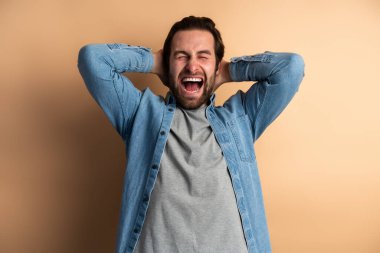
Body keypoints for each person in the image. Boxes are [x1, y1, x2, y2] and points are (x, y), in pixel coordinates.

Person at [78, 16, 304, 253]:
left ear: (216, 66)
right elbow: (93, 59)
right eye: (181, 56)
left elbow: (290, 68)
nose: (192, 66)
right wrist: (155, 62)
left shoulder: (241, 119)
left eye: (203, 56)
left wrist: (228, 70)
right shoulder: (140, 115)